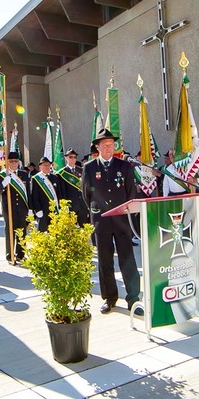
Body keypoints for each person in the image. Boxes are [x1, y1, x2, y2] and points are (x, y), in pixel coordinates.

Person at [81, 129, 141, 315]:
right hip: (102, 221)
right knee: (105, 260)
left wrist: (124, 212)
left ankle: (133, 299)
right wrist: (98, 213)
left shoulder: (125, 166)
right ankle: (110, 298)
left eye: (111, 144)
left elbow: (131, 193)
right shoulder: (89, 168)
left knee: (127, 259)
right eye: (105, 145)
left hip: (122, 220)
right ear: (97, 147)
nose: (109, 148)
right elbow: (86, 195)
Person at [0, 151, 29, 263]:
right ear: (7, 162)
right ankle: (10, 255)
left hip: (22, 208)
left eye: (15, 161)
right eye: (11, 161)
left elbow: (28, 192)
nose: (13, 163)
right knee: (10, 232)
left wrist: (30, 208)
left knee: (22, 232)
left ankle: (21, 255)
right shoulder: (3, 175)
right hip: (9, 209)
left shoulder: (24, 174)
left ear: (18, 162)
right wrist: (3, 184)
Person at [57, 148, 88, 225]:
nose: (73, 159)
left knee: (85, 229)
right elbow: (61, 191)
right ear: (66, 158)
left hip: (82, 205)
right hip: (70, 206)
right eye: (70, 157)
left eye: (74, 157)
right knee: (72, 230)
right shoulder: (61, 173)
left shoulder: (82, 170)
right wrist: (64, 206)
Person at [29, 156, 61, 232]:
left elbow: (59, 194)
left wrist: (60, 207)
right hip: (42, 210)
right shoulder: (36, 178)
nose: (47, 167)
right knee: (42, 233)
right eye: (44, 165)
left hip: (54, 210)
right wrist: (37, 209)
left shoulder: (55, 177)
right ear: (40, 166)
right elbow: (34, 196)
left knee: (55, 233)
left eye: (48, 165)